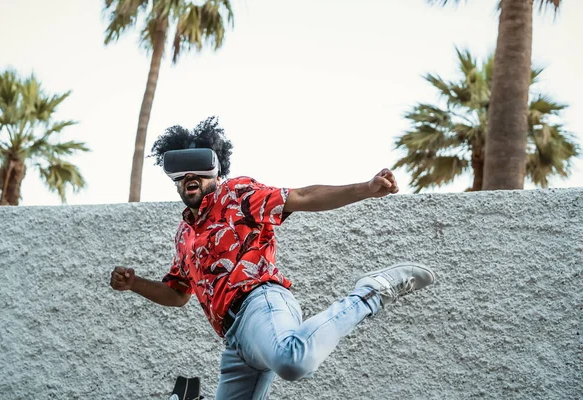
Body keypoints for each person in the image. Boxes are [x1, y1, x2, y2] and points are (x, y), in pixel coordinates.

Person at [110, 117, 436, 399]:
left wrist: (365, 188)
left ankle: (369, 293)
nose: (190, 176)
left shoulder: (236, 194)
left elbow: (302, 197)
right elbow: (178, 294)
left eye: (199, 167)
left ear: (216, 170)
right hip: (237, 340)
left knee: (292, 359)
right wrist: (134, 283)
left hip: (260, 302)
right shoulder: (185, 234)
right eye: (181, 171)